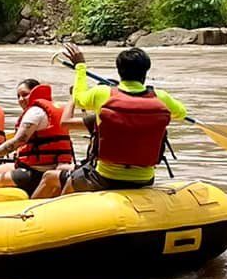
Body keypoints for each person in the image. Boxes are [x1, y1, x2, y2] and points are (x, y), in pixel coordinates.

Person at [61, 42, 188, 193]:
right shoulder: (161, 97)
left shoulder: (102, 93)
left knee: (70, 181)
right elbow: (181, 113)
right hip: (145, 178)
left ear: (119, 70)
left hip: (104, 177)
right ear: (145, 70)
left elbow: (78, 98)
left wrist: (80, 67)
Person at [0, 78, 75, 197]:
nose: (21, 100)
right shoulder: (56, 107)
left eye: (24, 95)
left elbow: (19, 141)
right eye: (18, 96)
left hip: (36, 171)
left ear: (35, 92)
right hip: (51, 166)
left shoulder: (35, 112)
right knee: (0, 169)